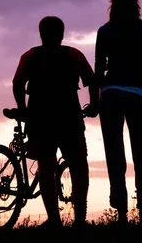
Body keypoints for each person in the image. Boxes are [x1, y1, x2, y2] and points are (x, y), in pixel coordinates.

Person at [12, 16, 99, 228]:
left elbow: (17, 83)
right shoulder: (74, 54)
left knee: (46, 166)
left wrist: (23, 109)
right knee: (79, 166)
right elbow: (91, 80)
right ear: (62, 34)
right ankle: (79, 220)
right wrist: (94, 104)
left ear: (41, 34)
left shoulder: (30, 56)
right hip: (69, 116)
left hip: (39, 116)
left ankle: (53, 219)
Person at [94, 0, 142, 225]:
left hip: (111, 94)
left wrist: (96, 97)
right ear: (136, 5)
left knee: (115, 153)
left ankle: (122, 213)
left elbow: (98, 67)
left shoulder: (104, 31)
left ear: (112, 5)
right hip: (137, 94)